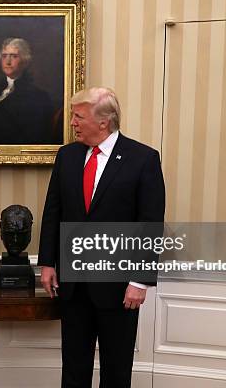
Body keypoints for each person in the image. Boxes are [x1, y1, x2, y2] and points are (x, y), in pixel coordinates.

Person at [38, 87, 165, 387]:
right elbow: (52, 211)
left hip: (119, 287)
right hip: (73, 284)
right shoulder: (67, 156)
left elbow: (150, 224)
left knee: (116, 369)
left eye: (78, 116)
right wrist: (47, 262)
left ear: (104, 122)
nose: (72, 122)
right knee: (73, 368)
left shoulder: (143, 158)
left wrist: (139, 280)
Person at [0, 37, 58, 145]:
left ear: (24, 61)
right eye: (4, 56)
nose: (8, 61)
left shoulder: (38, 97)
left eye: (14, 56)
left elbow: (35, 135)